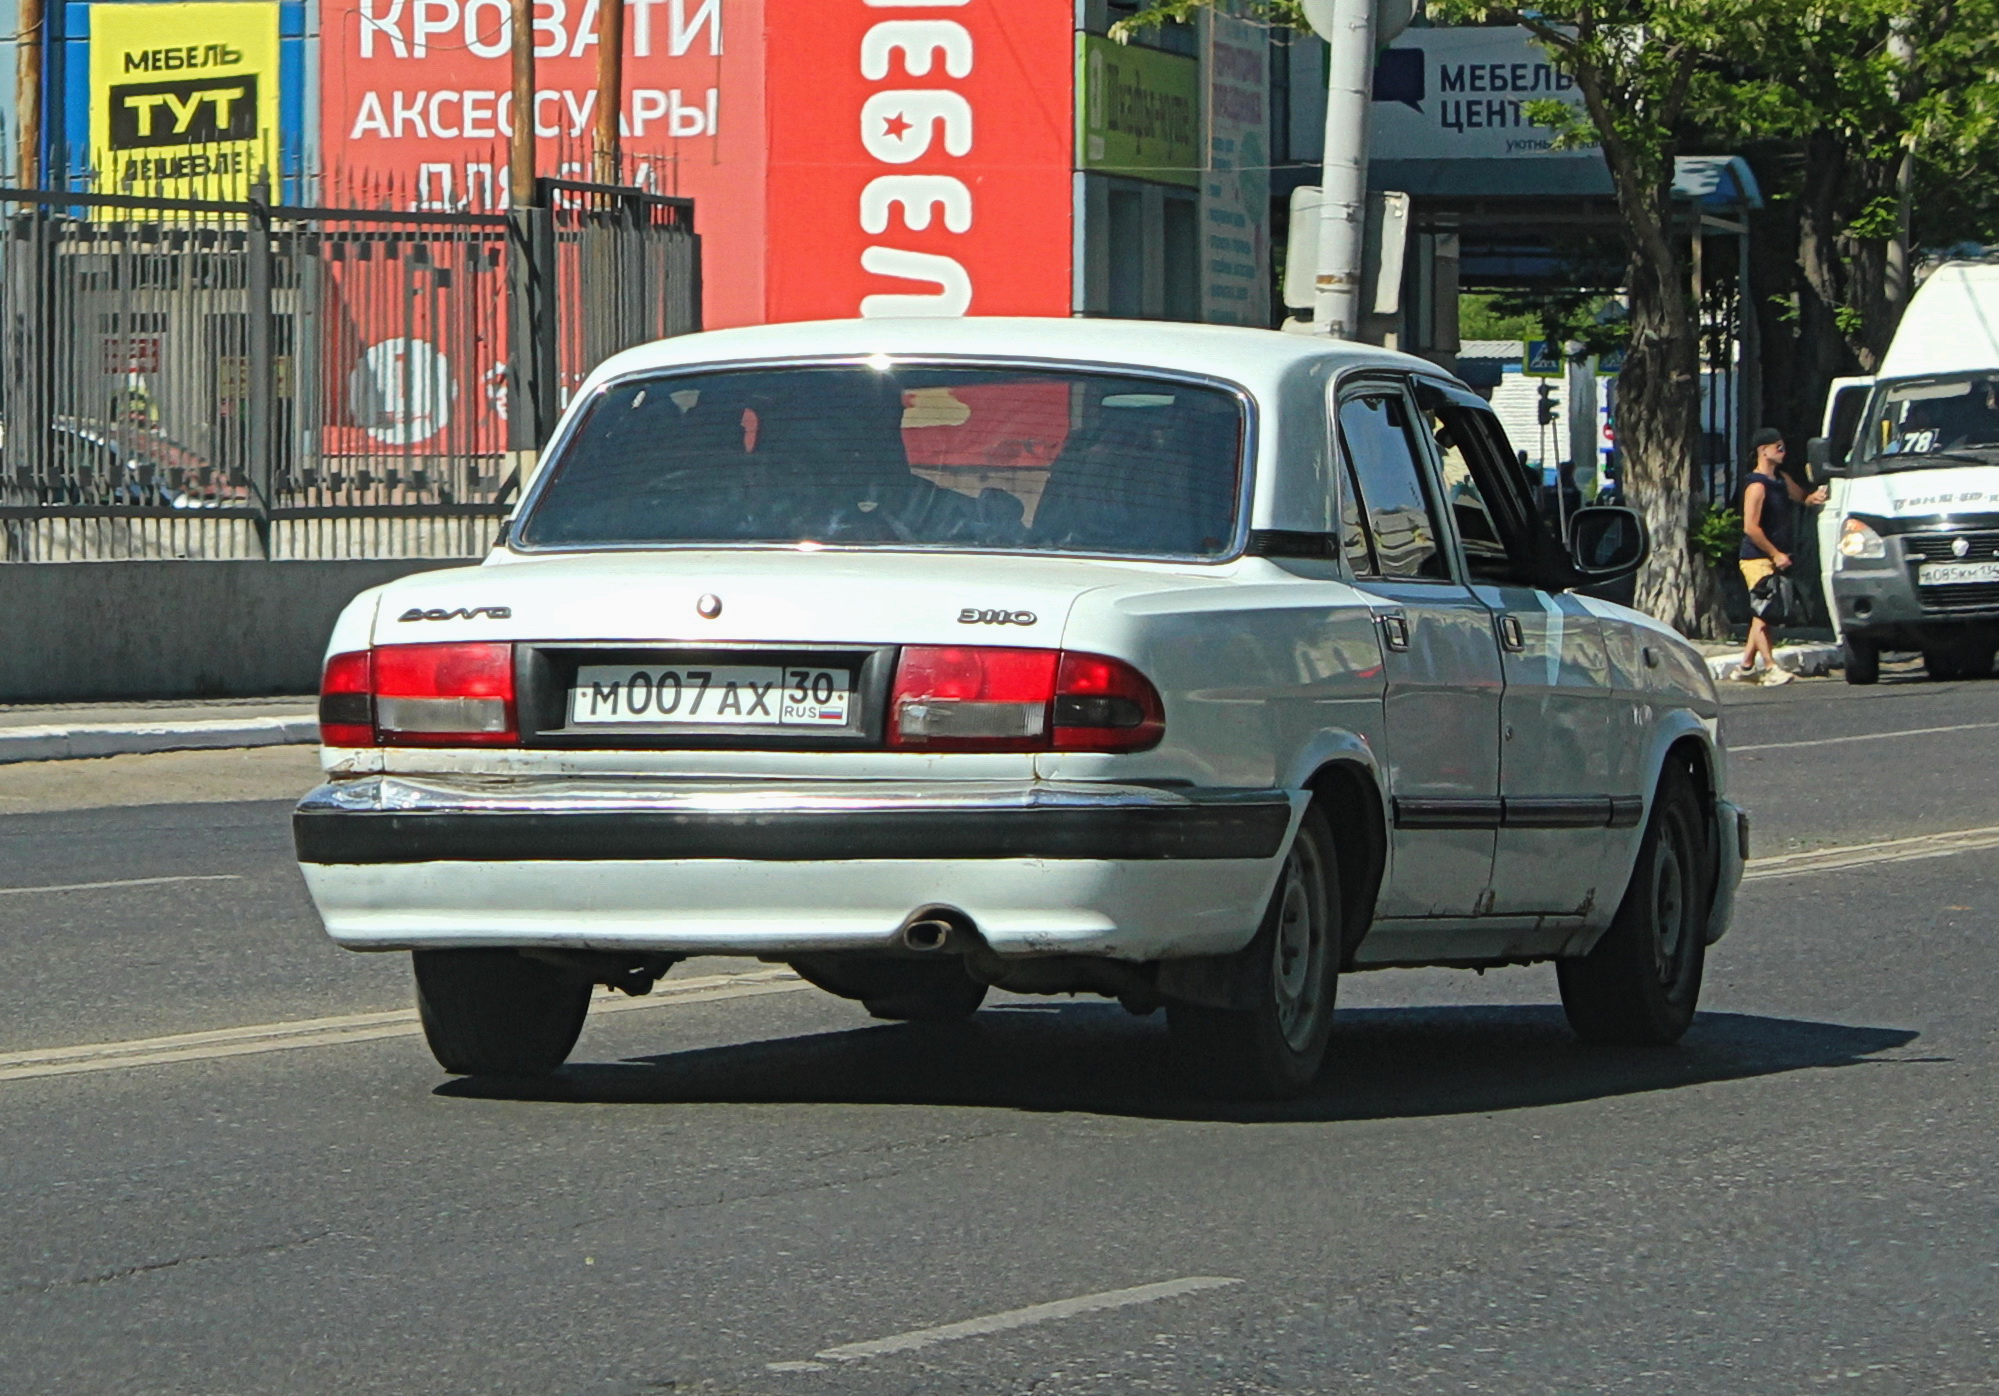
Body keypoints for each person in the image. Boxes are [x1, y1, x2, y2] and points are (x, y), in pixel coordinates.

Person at [1736, 427, 1828, 686]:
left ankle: (1745, 666)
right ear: (1763, 451)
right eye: (1778, 447)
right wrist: (1774, 553)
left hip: (1779, 556)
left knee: (1763, 612)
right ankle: (1769, 667)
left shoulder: (1781, 480)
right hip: (1757, 558)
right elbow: (1751, 527)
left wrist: (1814, 497)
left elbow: (1802, 498)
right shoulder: (1756, 486)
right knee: (1765, 612)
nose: (1783, 451)